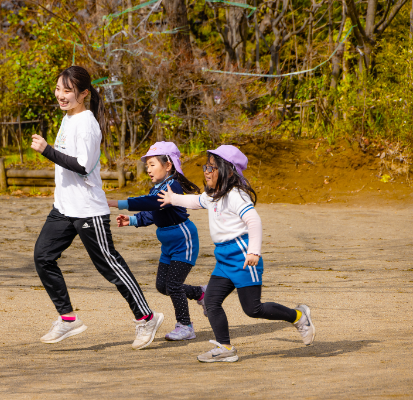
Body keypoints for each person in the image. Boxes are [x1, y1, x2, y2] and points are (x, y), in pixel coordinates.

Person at [30, 66, 164, 350]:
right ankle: (67, 318)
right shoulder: (67, 119)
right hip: (64, 207)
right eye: (58, 89)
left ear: (83, 94)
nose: (61, 95)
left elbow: (82, 166)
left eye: (67, 91)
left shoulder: (88, 124)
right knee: (43, 256)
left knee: (110, 266)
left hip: (89, 209)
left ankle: (147, 318)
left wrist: (46, 151)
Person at [158, 145, 315, 362]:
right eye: (206, 167)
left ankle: (298, 316)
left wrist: (254, 251)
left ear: (229, 171)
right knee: (211, 301)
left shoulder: (236, 195)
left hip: (242, 257)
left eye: (213, 168)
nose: (207, 171)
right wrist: (173, 198)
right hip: (223, 258)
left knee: (253, 309)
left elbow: (253, 220)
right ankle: (225, 348)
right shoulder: (213, 195)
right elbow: (196, 201)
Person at [108, 142, 206, 341]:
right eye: (147, 166)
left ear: (168, 165)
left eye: (152, 164)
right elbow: (152, 213)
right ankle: (201, 293)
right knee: (163, 286)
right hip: (168, 245)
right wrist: (132, 220)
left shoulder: (172, 186)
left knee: (174, 284)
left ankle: (186, 326)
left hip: (183, 240)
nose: (149, 170)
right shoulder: (158, 187)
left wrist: (116, 203)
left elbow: (151, 203)